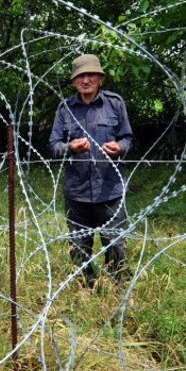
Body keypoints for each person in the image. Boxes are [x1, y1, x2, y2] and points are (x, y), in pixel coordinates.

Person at [49, 53, 133, 288]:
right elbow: (53, 146)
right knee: (79, 247)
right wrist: (70, 148)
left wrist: (120, 148)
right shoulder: (65, 109)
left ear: (100, 78)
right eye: (81, 76)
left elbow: (127, 138)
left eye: (91, 75)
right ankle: (86, 290)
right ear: (74, 81)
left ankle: (120, 291)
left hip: (110, 191)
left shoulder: (115, 104)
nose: (86, 80)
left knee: (115, 245)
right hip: (77, 193)